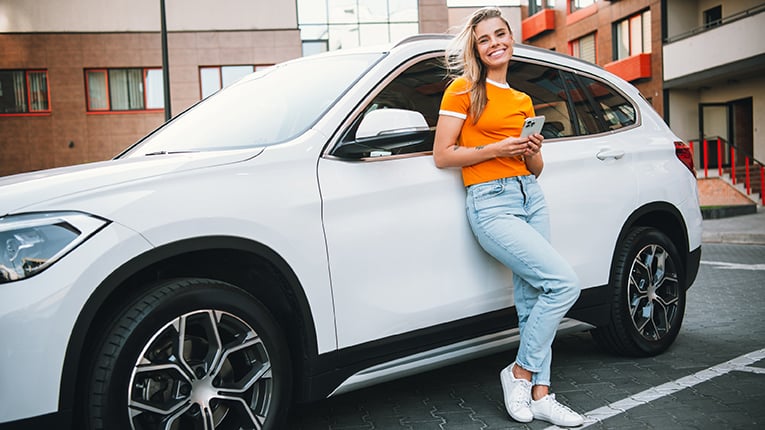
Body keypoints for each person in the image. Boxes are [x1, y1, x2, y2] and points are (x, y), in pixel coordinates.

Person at [433, 7, 584, 428]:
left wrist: (531, 147)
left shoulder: (521, 99)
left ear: (511, 38)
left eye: (501, 34)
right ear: (477, 49)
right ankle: (517, 373)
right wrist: (498, 150)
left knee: (534, 298)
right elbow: (443, 154)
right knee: (562, 284)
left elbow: (535, 169)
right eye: (485, 39)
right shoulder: (463, 91)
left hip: (529, 195)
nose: (496, 42)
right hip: (491, 201)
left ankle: (541, 394)